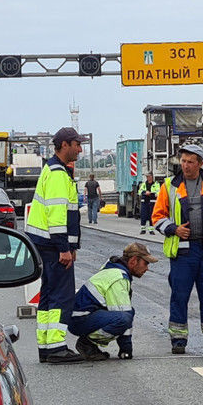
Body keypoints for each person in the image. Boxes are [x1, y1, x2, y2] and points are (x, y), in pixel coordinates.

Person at [152, 143, 203, 354]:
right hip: (183, 253)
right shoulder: (169, 185)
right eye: (183, 161)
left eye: (190, 162)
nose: (186, 166)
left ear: (200, 163)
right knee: (179, 295)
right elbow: (157, 217)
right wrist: (173, 229)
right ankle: (178, 341)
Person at [25, 127, 84, 363]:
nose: (79, 149)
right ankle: (58, 347)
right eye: (77, 144)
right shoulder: (59, 174)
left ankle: (47, 346)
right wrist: (64, 249)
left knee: (48, 296)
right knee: (61, 296)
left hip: (44, 244)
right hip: (53, 246)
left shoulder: (51, 169)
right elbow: (58, 216)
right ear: (65, 145)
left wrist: (72, 246)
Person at [69, 241, 158, 360]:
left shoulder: (114, 269)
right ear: (133, 261)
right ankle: (87, 344)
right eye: (145, 263)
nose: (147, 268)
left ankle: (90, 345)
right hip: (80, 320)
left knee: (127, 313)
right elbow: (124, 316)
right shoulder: (119, 278)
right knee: (123, 318)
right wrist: (126, 351)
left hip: (80, 317)